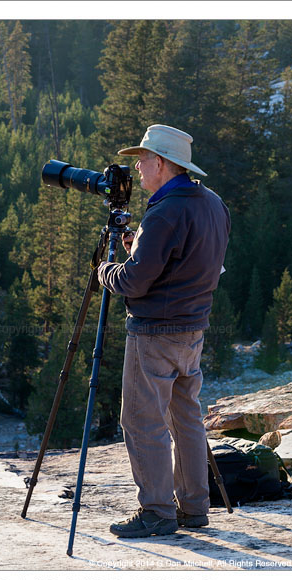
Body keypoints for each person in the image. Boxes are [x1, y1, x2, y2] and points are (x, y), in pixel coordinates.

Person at [97, 124, 230, 538]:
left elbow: (135, 283)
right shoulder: (212, 203)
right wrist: (142, 249)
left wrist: (106, 272)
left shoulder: (165, 211)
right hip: (193, 329)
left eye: (142, 159)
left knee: (142, 421)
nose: (136, 167)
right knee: (186, 417)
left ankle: (156, 512)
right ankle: (194, 507)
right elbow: (196, 260)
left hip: (155, 332)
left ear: (161, 163)